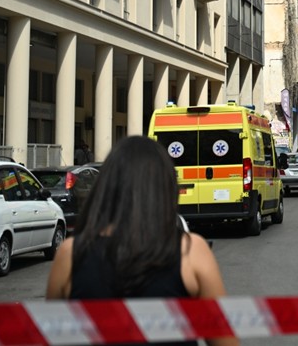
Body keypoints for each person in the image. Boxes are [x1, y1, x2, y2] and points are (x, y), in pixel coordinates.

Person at [45, 136, 238, 346]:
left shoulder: (71, 254)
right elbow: (224, 341)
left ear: (106, 187)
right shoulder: (190, 251)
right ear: (166, 188)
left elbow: (52, 335)